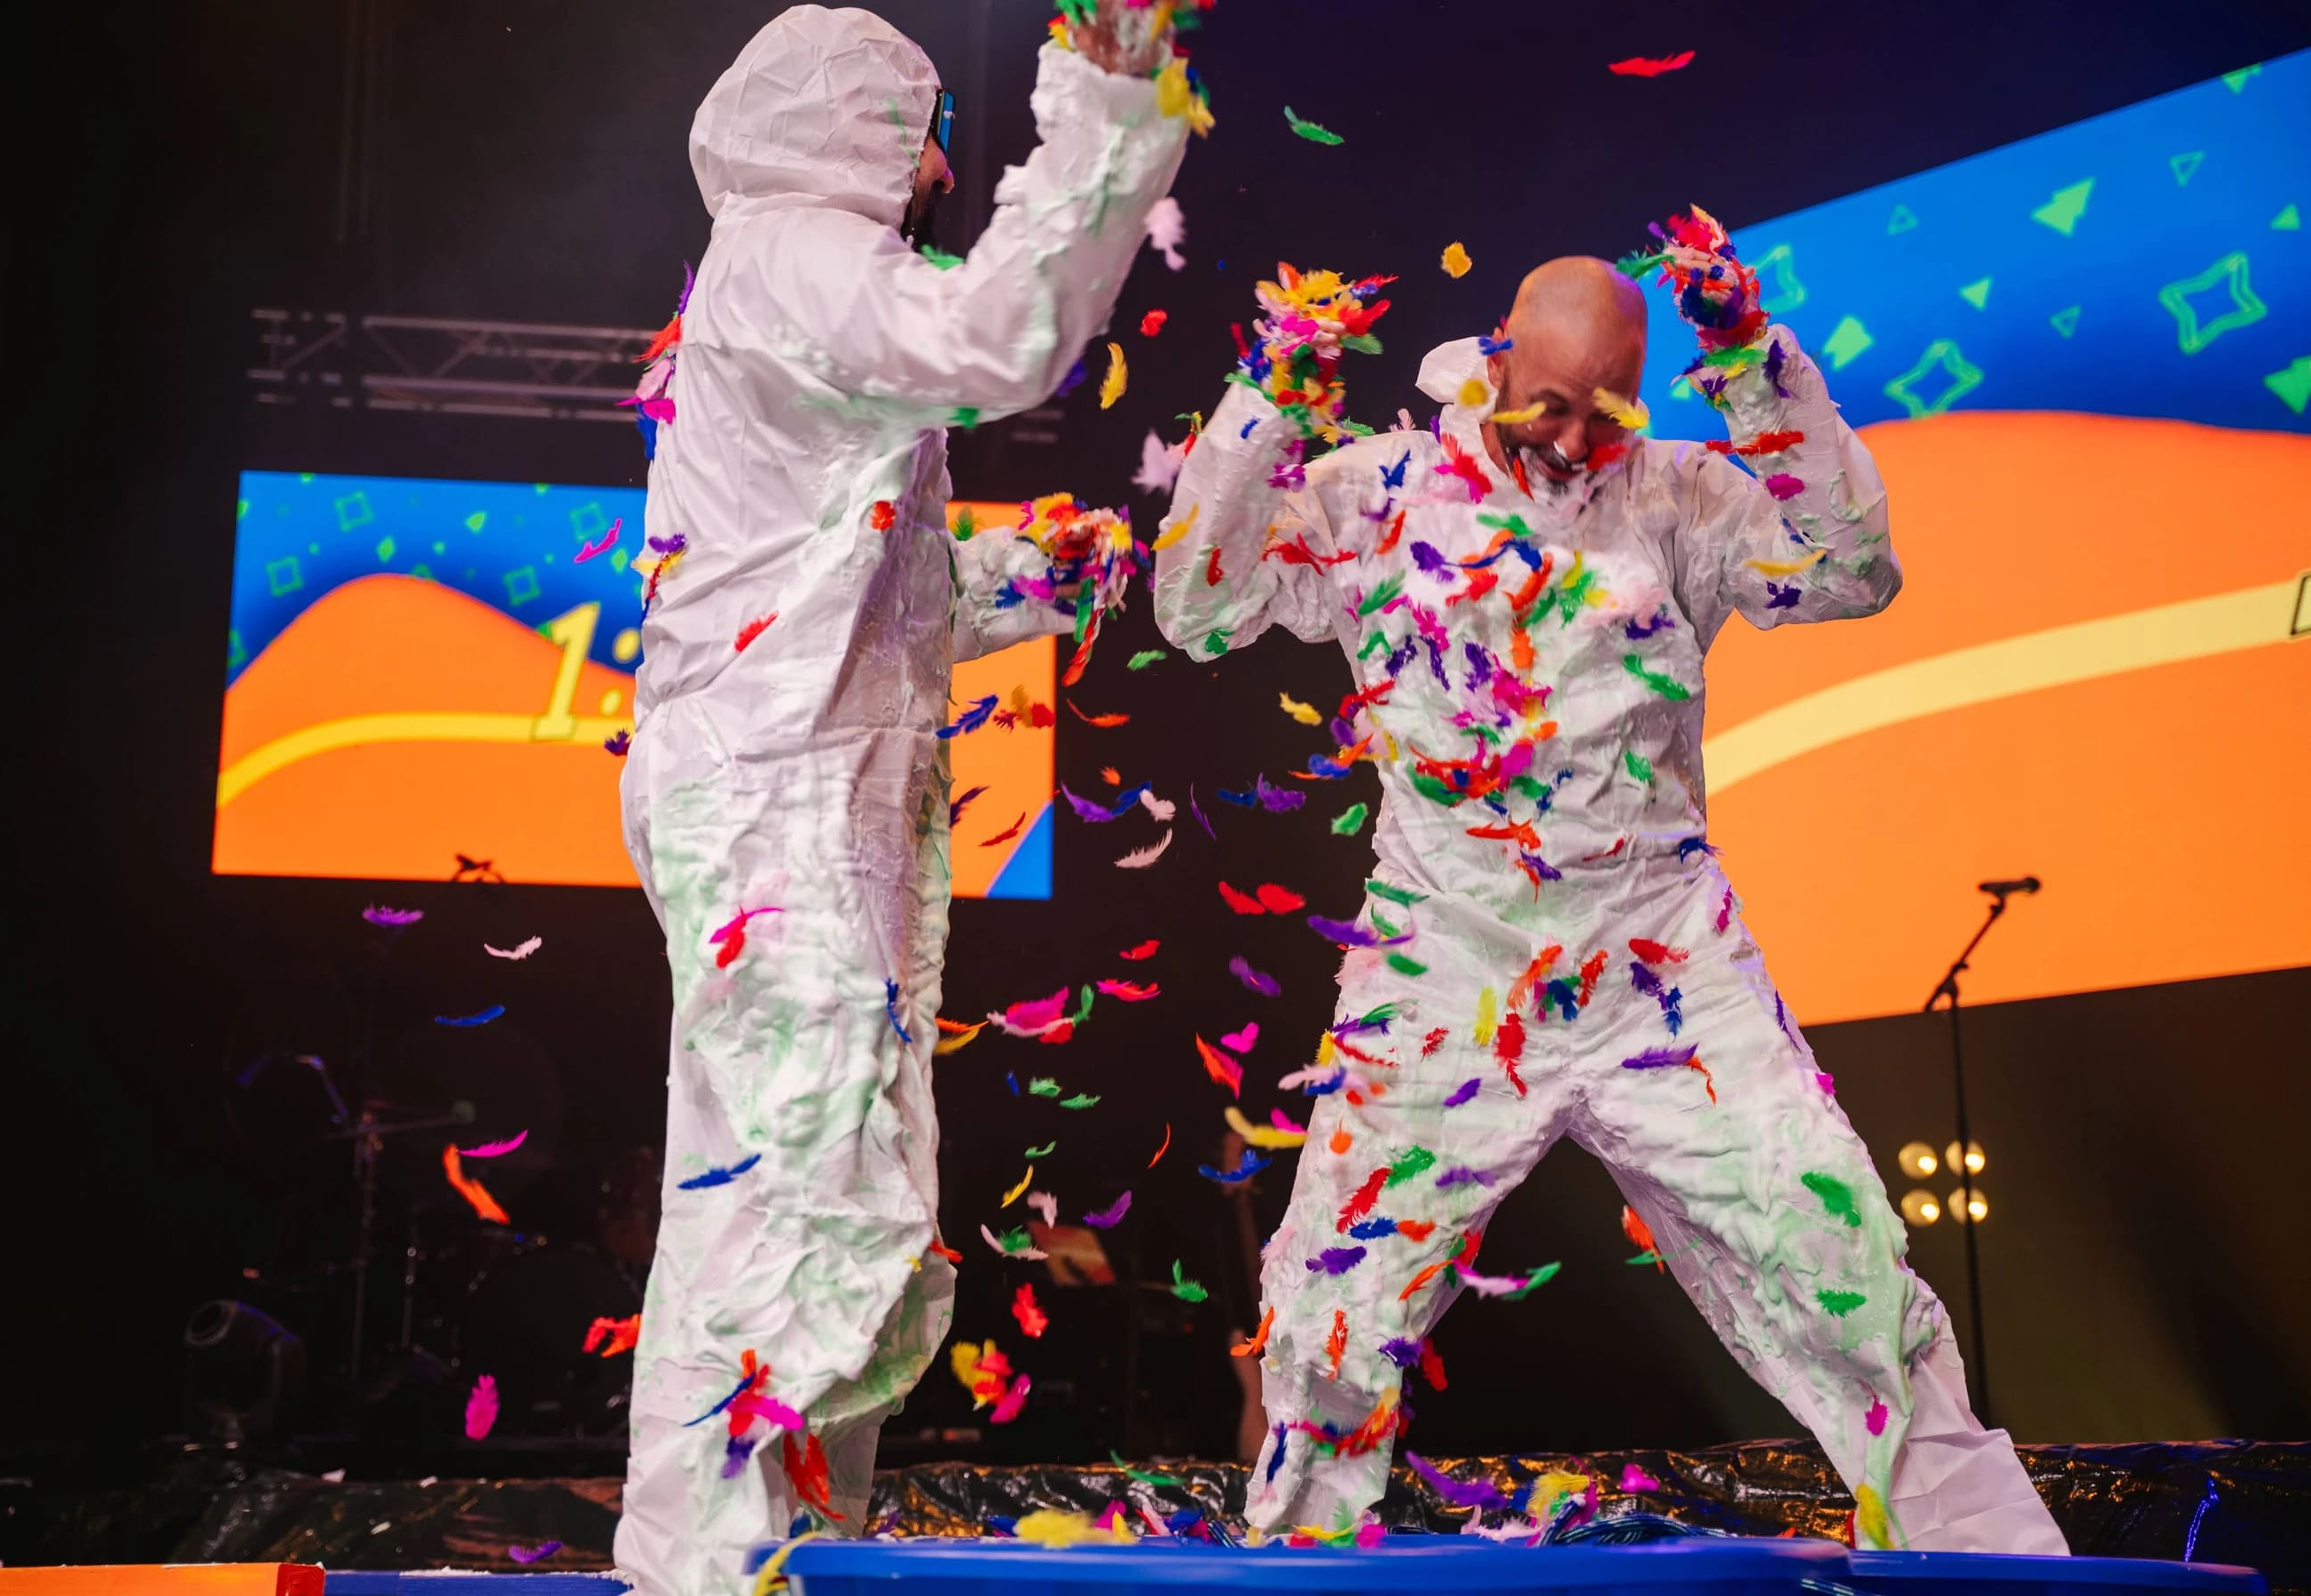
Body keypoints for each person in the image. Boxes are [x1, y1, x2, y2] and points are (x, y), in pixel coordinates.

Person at [1152, 217, 2070, 1554]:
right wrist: (1270, 399)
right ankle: (1308, 1568)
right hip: (1448, 967)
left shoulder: (1683, 492)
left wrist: (1757, 370)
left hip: (1659, 960)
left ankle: (1992, 1568)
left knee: (1842, 1269)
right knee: (1328, 1325)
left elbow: (1856, 572)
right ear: (1492, 361)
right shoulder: (1373, 491)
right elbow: (1198, 602)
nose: (1581, 441)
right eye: (1551, 408)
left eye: (1607, 412)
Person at [614, 7, 1194, 1592]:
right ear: (871, 127)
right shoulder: (803, 252)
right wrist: (1107, 104)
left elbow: (839, 579)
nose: (949, 163)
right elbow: (1002, 335)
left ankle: (762, 1557)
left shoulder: (787, 269)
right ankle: (719, 1571)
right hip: (780, 800)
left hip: (799, 787)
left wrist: (1020, 576)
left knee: (785, 1200)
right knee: (817, 1203)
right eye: (940, 127)